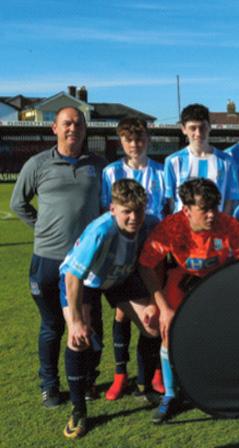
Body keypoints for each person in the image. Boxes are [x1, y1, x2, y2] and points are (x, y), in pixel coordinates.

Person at [10, 106, 106, 408]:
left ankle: (88, 379)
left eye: (78, 124)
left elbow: (107, 206)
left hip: (87, 262)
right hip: (48, 259)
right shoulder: (38, 164)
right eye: (66, 123)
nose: (72, 129)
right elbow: (18, 203)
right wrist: (43, 227)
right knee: (52, 325)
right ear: (54, 128)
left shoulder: (99, 165)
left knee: (90, 322)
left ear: (85, 129)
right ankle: (49, 385)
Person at [139, 179, 239, 423]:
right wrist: (162, 307)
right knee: (169, 328)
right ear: (187, 209)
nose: (212, 214)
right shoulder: (172, 227)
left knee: (228, 329)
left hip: (218, 282)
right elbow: (147, 265)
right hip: (182, 281)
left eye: (215, 207)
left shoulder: (229, 225)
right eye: (205, 209)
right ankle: (171, 395)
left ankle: (224, 387)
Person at [58, 179, 161, 438]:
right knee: (79, 339)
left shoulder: (149, 224)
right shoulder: (102, 231)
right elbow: (73, 277)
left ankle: (144, 387)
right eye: (127, 211)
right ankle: (79, 409)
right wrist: (77, 321)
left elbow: (147, 266)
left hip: (120, 279)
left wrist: (152, 301)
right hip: (85, 282)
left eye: (138, 210)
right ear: (113, 208)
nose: (134, 217)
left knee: (152, 326)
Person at [101, 116, 166, 401]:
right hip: (122, 252)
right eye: (128, 140)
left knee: (154, 308)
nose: (134, 144)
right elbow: (106, 211)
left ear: (147, 140)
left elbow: (167, 210)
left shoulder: (161, 172)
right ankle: (119, 375)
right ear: (121, 142)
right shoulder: (110, 172)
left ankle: (154, 372)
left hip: (154, 252)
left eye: (139, 139)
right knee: (121, 312)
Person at [164, 103, 239, 214]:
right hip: (184, 227)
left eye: (202, 127)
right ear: (183, 129)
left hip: (215, 225)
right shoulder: (173, 161)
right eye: (193, 128)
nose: (198, 133)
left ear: (209, 127)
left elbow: (230, 200)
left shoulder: (227, 162)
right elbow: (171, 202)